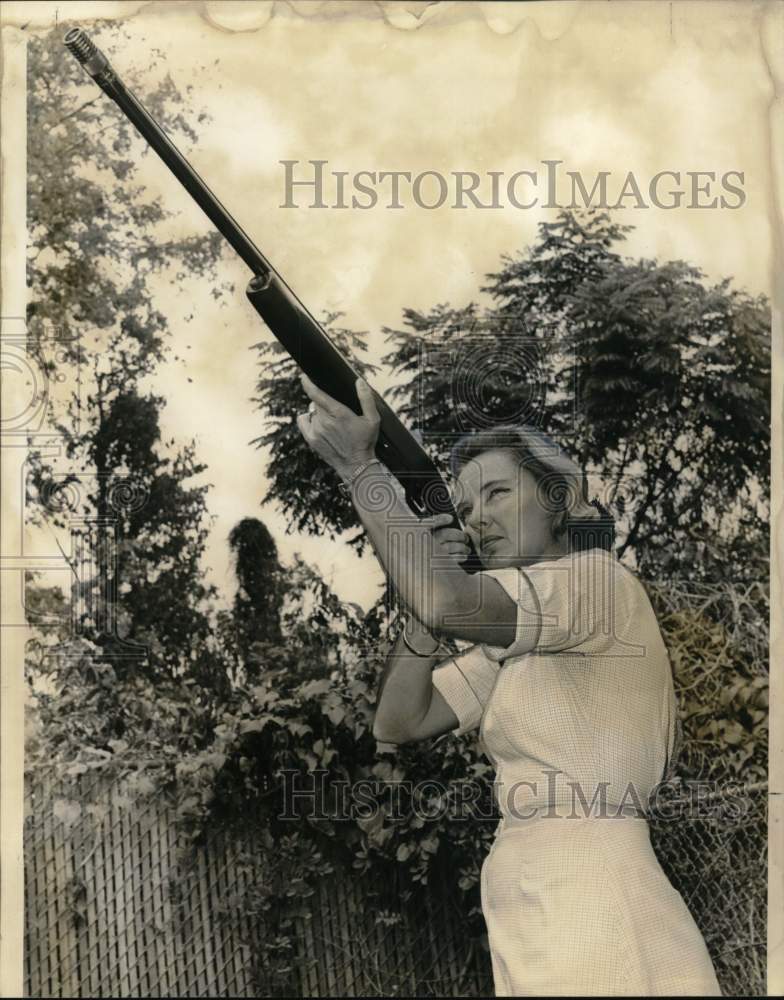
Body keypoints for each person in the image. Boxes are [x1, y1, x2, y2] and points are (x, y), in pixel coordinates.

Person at [296, 374, 722, 997]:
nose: (478, 521)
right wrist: (427, 598)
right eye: (466, 510)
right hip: (534, 894)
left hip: (591, 891)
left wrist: (363, 470)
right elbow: (399, 721)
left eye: (498, 493)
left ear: (558, 499)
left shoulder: (594, 585)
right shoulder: (517, 645)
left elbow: (450, 604)